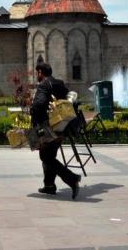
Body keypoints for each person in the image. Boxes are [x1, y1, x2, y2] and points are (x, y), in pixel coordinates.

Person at [30, 62, 81, 200]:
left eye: (37, 73)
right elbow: (70, 100)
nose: (37, 76)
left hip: (48, 128)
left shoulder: (44, 85)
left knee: (45, 157)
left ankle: (72, 179)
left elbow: (39, 105)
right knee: (49, 155)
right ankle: (49, 186)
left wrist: (32, 111)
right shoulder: (59, 84)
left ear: (40, 72)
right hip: (62, 127)